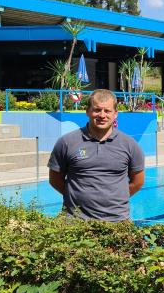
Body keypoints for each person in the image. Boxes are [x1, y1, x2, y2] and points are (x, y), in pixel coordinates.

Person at [48, 89, 145, 221]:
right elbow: (55, 180)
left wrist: (116, 199)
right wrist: (76, 197)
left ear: (115, 114)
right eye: (97, 110)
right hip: (75, 222)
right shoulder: (67, 142)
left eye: (107, 111)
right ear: (87, 111)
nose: (102, 115)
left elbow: (138, 182)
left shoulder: (129, 144)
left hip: (117, 223)